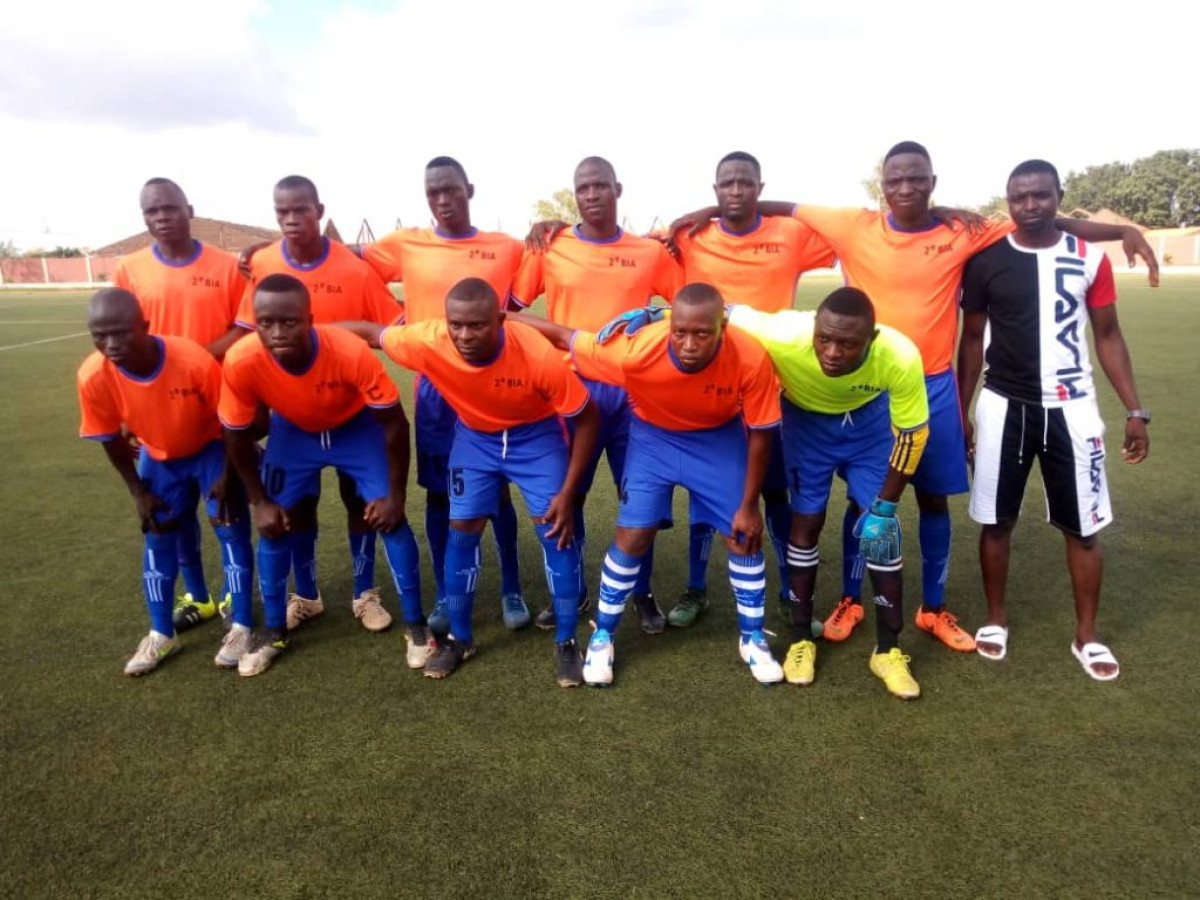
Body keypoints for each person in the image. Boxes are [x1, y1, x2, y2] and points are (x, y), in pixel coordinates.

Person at [670, 140, 1158, 655]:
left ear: (932, 183)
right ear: (882, 186)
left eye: (916, 178)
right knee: (865, 499)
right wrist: (707, 212)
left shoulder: (961, 230)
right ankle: (850, 600)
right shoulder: (852, 224)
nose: (905, 187)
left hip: (932, 382)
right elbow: (779, 205)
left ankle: (933, 607)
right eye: (895, 179)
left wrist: (1120, 231)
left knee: (931, 498)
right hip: (867, 386)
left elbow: (1038, 220)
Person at [243, 159, 530, 632]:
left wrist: (551, 227)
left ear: (470, 190)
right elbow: (340, 253)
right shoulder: (404, 244)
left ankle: (511, 588)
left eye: (451, 190)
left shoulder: (508, 246)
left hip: (494, 381)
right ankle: (445, 592)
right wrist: (270, 248)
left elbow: (541, 268)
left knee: (497, 487)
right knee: (440, 491)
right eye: (433, 192)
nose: (442, 200)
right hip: (436, 386)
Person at [517, 283, 786, 687]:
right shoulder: (636, 350)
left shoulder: (750, 357)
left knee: (743, 536)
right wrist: (501, 318)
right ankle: (603, 635)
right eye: (680, 332)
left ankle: (752, 638)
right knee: (633, 535)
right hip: (653, 440)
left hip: (717, 440)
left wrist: (749, 505)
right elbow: (562, 335)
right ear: (670, 326)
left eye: (702, 333)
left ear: (723, 327)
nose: (689, 344)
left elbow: (762, 433)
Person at [342, 277, 600, 686]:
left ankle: (567, 642)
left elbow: (586, 419)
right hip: (476, 439)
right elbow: (372, 334)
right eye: (456, 325)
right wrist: (310, 331)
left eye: (476, 325)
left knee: (556, 531)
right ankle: (459, 639)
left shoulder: (536, 354)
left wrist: (569, 493)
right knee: (461, 529)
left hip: (535, 437)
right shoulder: (429, 340)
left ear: (500, 320)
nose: (463, 335)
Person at [957, 159, 1149, 681]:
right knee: (996, 521)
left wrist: (1134, 409)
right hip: (1004, 405)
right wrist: (962, 411)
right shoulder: (987, 261)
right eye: (1019, 197)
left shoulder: (1089, 259)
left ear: (1059, 195)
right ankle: (995, 619)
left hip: (1074, 408)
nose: (1030, 205)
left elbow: (1108, 335)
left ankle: (1087, 635)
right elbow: (971, 340)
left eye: (1040, 195)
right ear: (1009, 201)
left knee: (1083, 529)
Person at [727, 288, 930, 699]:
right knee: (806, 522)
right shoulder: (784, 332)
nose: (833, 353)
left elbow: (913, 435)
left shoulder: (899, 354)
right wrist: (654, 316)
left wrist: (885, 507)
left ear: (871, 339)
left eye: (848, 344)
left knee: (881, 531)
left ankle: (888, 651)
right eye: (824, 339)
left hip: (868, 425)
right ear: (814, 330)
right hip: (807, 425)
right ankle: (801, 640)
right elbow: (722, 311)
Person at [220, 274, 424, 677]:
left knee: (391, 520)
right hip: (294, 434)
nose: (277, 332)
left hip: (355, 430)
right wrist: (259, 501)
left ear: (310, 319)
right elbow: (236, 434)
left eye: (289, 321)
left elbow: (395, 425)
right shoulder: (242, 359)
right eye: (266, 323)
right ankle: (274, 630)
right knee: (274, 523)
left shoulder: (348, 350)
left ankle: (416, 626)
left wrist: (396, 496)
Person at [665, 151, 835, 630]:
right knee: (705, 492)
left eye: (745, 183)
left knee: (777, 490)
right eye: (726, 184)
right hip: (711, 387)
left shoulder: (791, 234)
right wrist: (705, 215)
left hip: (775, 385)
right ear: (715, 188)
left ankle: (787, 593)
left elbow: (849, 236)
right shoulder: (692, 237)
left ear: (761, 187)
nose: (735, 191)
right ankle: (696, 589)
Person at [512, 155, 682, 634]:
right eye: (583, 187)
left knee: (640, 496)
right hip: (571, 390)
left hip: (633, 392)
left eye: (600, 186)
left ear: (617, 189)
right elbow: (510, 308)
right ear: (575, 195)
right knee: (568, 493)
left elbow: (685, 307)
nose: (591, 194)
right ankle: (574, 591)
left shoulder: (649, 252)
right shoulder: (550, 246)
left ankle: (640, 592)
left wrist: (651, 325)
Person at [236, 175, 402, 636]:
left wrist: (337, 340)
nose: (291, 219)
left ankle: (365, 593)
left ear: (319, 211)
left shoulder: (353, 268)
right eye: (282, 212)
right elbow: (251, 332)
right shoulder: (262, 261)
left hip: (352, 411)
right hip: (291, 414)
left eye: (300, 210)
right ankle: (306, 596)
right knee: (298, 505)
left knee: (359, 500)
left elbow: (390, 330)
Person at [76, 289, 254, 675]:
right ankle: (161, 633)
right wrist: (138, 491)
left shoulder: (191, 360)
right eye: (99, 335)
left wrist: (229, 474)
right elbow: (109, 437)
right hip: (158, 459)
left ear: (144, 326)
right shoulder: (93, 375)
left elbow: (232, 421)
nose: (110, 344)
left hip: (211, 450)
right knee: (157, 534)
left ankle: (242, 625)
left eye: (120, 332)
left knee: (230, 527)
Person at [113, 177, 248, 632]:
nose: (161, 217)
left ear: (189, 209)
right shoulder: (130, 269)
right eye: (151, 211)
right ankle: (199, 597)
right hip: (155, 412)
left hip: (215, 404)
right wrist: (130, 409)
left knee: (226, 509)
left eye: (169, 208)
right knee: (173, 512)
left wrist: (191, 361)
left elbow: (244, 328)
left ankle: (233, 598)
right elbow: (122, 336)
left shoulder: (226, 266)